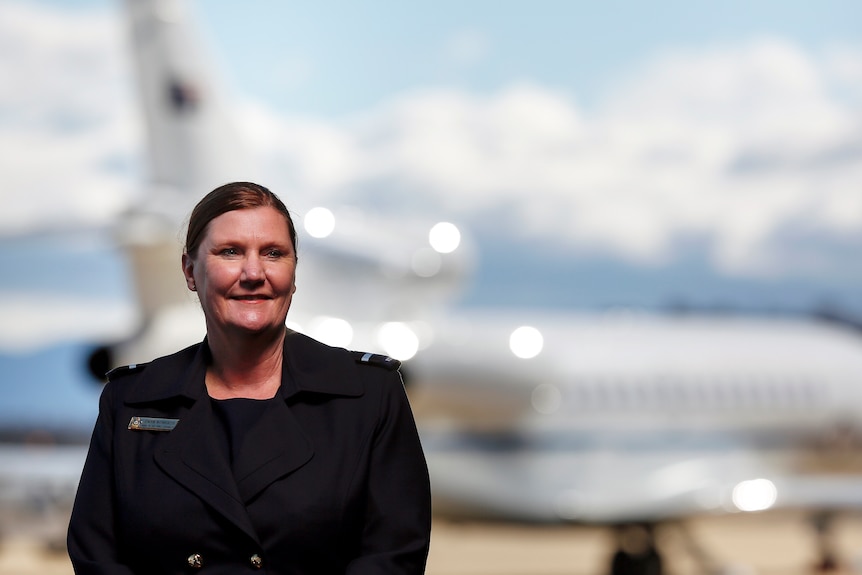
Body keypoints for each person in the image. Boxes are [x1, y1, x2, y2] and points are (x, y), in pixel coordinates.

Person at [67, 182, 432, 574]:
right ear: (190, 270)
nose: (254, 273)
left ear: (293, 272)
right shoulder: (132, 400)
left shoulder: (369, 397)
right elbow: (97, 557)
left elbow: (393, 558)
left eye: (273, 254)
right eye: (231, 252)